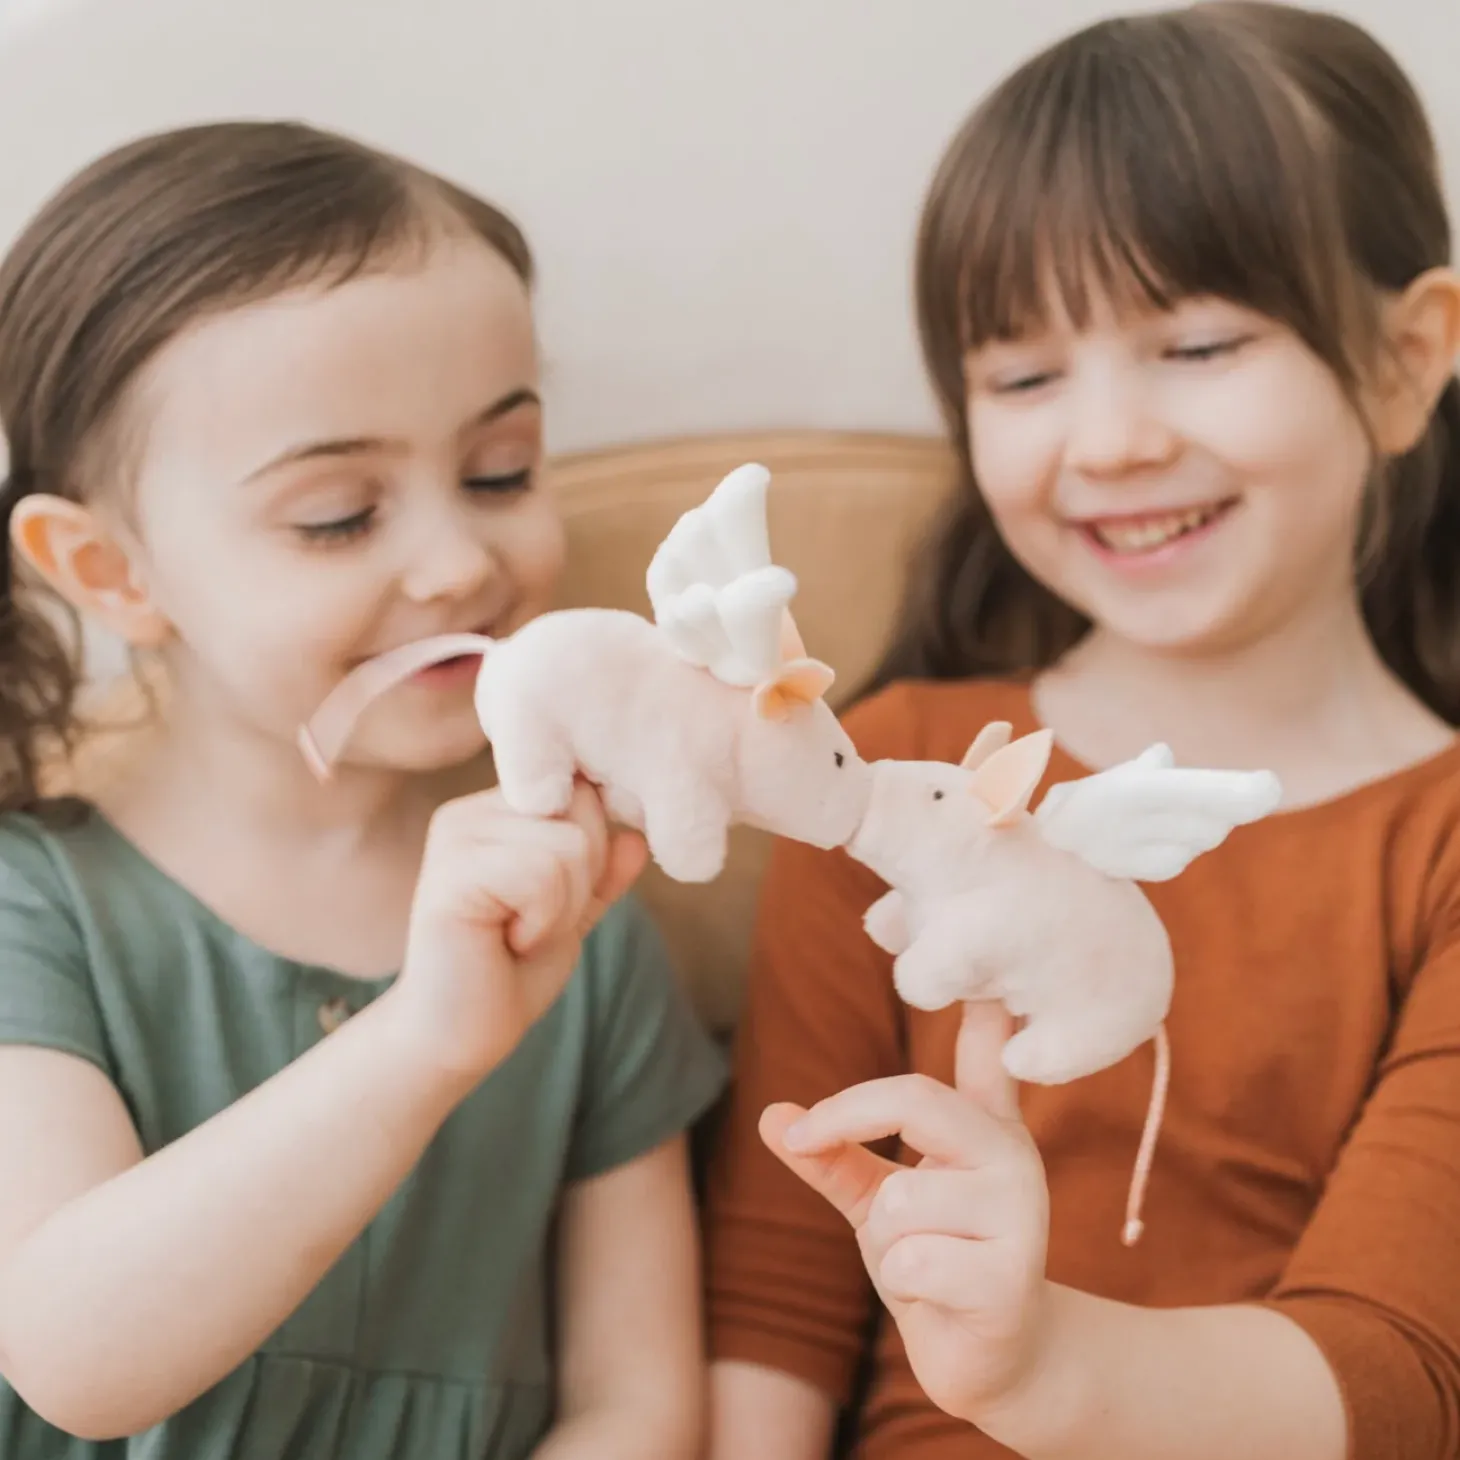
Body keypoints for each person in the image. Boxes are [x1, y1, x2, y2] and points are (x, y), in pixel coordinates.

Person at [702, 4, 1460, 1458]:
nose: (1107, 441)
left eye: (1196, 342)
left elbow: (1400, 1377)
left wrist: (1040, 1367)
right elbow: (774, 1311)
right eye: (1027, 376)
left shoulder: (1433, 846)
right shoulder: (878, 774)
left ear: (1404, 360)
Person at [0, 120, 725, 1458]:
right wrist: (423, 1043)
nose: (458, 564)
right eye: (338, 514)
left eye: (499, 471)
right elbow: (76, 1360)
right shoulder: (29, 913)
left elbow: (637, 1409)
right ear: (110, 573)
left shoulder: (591, 918)